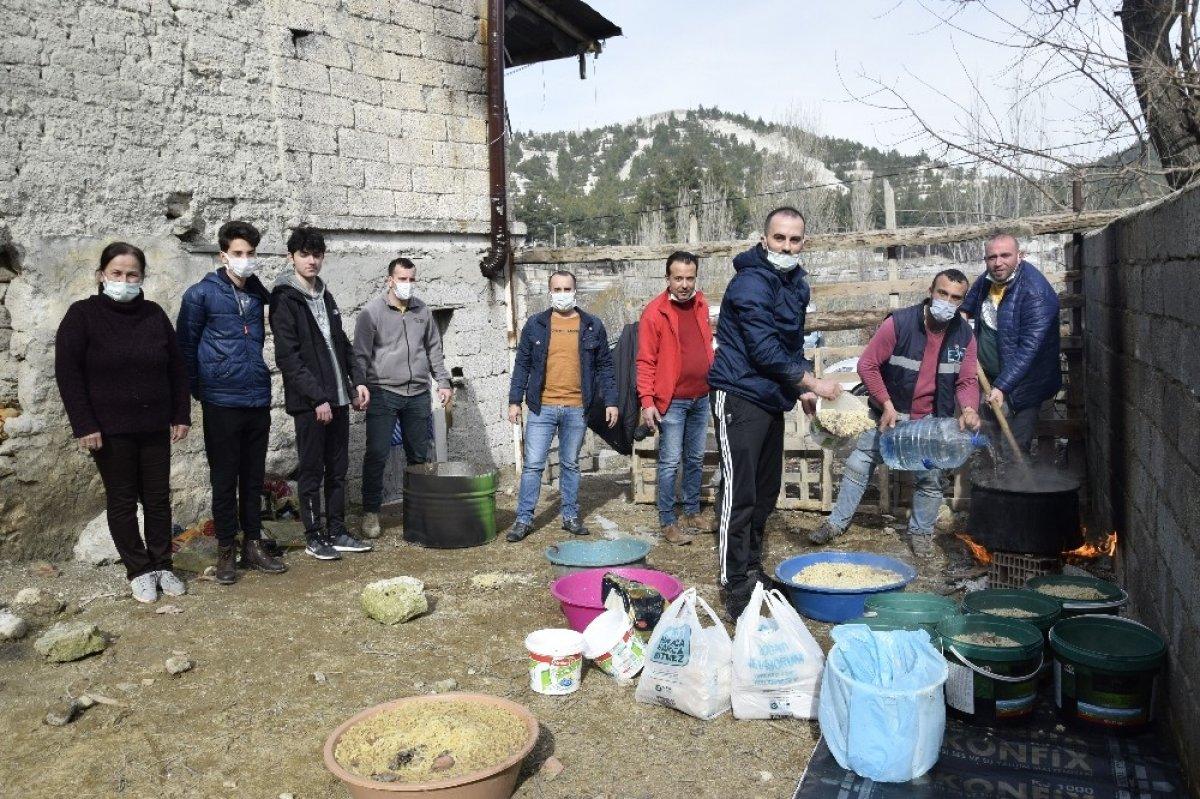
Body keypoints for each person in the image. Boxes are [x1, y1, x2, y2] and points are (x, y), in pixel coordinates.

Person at [708, 207, 843, 620]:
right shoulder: (749, 283)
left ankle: (752, 570)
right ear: (765, 239)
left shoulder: (796, 283)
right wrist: (813, 383)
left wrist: (799, 389)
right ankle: (733, 582)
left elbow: (790, 345)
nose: (787, 246)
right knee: (739, 492)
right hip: (739, 394)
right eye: (780, 238)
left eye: (795, 239)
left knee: (765, 493)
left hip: (769, 397)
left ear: (804, 242)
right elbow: (763, 349)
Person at [54, 242, 192, 603]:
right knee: (122, 500)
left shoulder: (154, 314)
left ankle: (163, 563)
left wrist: (181, 413)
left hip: (153, 424)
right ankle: (139, 570)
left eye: (132, 274)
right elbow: (68, 374)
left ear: (142, 277)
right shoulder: (82, 315)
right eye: (117, 273)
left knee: (159, 499)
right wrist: (85, 424)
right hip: (109, 429)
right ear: (102, 275)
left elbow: (176, 367)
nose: (124, 280)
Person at [809, 270, 982, 556]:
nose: (947, 302)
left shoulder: (964, 335)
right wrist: (886, 403)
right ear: (931, 291)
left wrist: (968, 408)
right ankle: (836, 523)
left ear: (962, 301)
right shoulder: (899, 324)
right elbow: (868, 365)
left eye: (955, 298)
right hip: (887, 412)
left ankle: (921, 533)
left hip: (928, 421)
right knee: (859, 462)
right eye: (942, 294)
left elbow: (965, 381)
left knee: (930, 476)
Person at [176, 221, 286, 584]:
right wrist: (200, 390)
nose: (245, 259)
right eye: (238, 254)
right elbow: (185, 349)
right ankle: (226, 550)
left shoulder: (258, 295)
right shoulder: (200, 295)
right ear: (223, 255)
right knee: (224, 478)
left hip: (256, 396)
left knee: (253, 478)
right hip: (221, 399)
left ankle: (252, 545)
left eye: (251, 254)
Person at [269, 227, 372, 560]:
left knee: (338, 469)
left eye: (316, 254)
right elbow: (289, 357)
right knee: (312, 472)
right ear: (291, 258)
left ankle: (338, 530)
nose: (311, 261)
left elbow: (341, 343)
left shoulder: (325, 296)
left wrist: (357, 382)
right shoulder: (285, 298)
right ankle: (314, 535)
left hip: (339, 399)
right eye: (304, 254)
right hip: (311, 404)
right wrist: (317, 398)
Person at [506, 271, 618, 542]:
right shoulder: (536, 325)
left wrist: (612, 401)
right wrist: (514, 400)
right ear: (549, 291)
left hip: (577, 407)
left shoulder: (592, 324)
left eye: (567, 288)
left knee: (570, 464)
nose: (562, 293)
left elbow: (605, 366)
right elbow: (522, 364)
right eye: (557, 289)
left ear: (575, 291)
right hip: (541, 407)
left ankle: (569, 515)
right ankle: (523, 519)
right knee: (533, 465)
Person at [353, 256, 452, 539]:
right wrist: (359, 386)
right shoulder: (371, 313)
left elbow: (434, 349)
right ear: (390, 280)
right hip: (383, 393)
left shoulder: (423, 311)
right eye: (402, 279)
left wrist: (442, 381)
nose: (407, 285)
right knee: (377, 454)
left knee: (419, 456)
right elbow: (360, 355)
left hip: (418, 393)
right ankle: (371, 512)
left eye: (411, 280)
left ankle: (419, 508)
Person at [636, 250, 714, 546]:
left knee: (695, 457)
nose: (684, 284)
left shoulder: (701, 305)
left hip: (701, 395)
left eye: (689, 278)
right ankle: (668, 520)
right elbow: (645, 361)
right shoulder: (654, 313)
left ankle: (692, 511)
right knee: (669, 461)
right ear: (667, 278)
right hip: (673, 400)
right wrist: (647, 401)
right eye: (678, 278)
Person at [960, 232, 1061, 458]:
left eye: (1005, 255)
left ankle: (1020, 489)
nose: (998, 262)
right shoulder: (990, 278)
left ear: (1020, 256)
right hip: (990, 380)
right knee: (992, 444)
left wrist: (1003, 386)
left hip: (1025, 386)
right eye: (992, 257)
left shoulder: (1036, 293)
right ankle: (995, 484)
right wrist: (963, 316)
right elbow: (970, 302)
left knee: (1014, 448)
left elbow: (1029, 349)